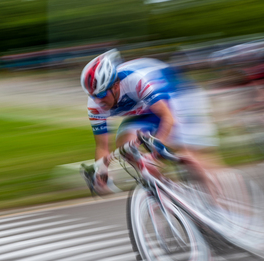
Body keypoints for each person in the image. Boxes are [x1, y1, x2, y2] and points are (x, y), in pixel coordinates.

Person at [81, 49, 223, 197]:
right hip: (145, 110)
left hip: (175, 96)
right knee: (125, 145)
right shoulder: (95, 106)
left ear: (115, 86)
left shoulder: (134, 81)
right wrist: (101, 172)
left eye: (102, 94)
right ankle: (165, 189)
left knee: (184, 150)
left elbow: (168, 117)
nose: (98, 100)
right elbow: (102, 147)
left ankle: (216, 199)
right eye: (93, 95)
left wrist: (156, 152)